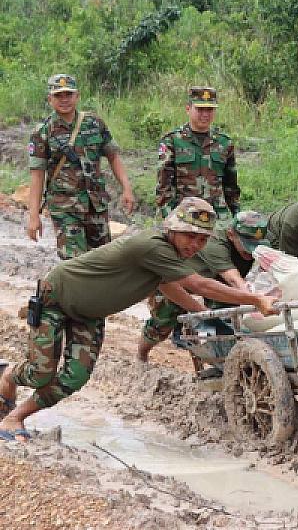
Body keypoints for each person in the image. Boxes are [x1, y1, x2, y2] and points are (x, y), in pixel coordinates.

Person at [0, 198, 276, 444]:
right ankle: (8, 377)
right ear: (173, 228)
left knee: (75, 377)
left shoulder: (169, 254)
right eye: (190, 236)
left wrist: (201, 315)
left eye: (202, 240)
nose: (195, 244)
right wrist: (255, 300)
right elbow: (198, 284)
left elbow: (169, 286)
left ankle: (15, 417)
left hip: (89, 314)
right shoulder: (152, 245)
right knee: (40, 373)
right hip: (57, 299)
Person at [26, 73, 135, 260]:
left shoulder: (94, 123)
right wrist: (33, 216)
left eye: (68, 94)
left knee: (103, 261)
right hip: (64, 208)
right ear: (49, 99)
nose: (64, 100)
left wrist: (126, 189)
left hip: (96, 206)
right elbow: (37, 177)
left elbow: (113, 156)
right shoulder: (42, 132)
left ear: (77, 96)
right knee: (74, 264)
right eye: (58, 95)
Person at [138, 210, 271, 362]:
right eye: (247, 244)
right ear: (231, 234)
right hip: (175, 278)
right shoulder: (215, 243)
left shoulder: (250, 248)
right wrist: (257, 300)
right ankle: (142, 356)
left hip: (214, 281)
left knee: (224, 322)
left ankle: (223, 362)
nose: (251, 251)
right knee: (163, 322)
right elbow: (233, 280)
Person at [156, 86, 240, 221]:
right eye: (200, 109)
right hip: (184, 216)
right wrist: (169, 218)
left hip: (216, 216)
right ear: (188, 108)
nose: (205, 114)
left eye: (210, 109)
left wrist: (237, 215)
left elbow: (231, 187)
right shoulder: (172, 141)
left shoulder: (224, 142)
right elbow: (164, 187)